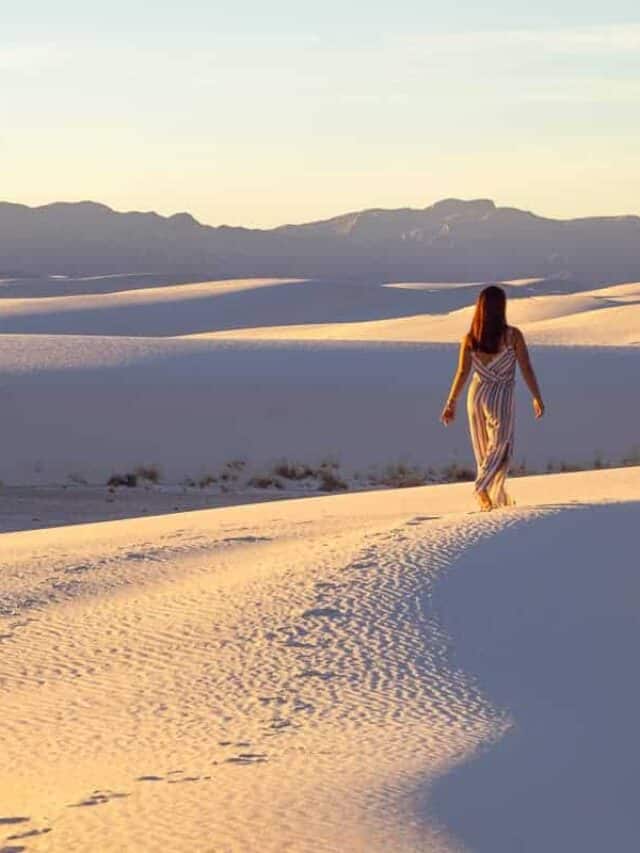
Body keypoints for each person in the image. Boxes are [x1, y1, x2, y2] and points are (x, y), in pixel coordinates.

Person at [440, 285, 545, 510]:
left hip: (476, 395)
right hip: (501, 395)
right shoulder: (512, 336)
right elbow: (526, 367)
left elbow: (462, 373)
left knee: (483, 448)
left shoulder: (470, 338)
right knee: (501, 446)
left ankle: (492, 497)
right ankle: (481, 487)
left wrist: (451, 402)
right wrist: (536, 396)